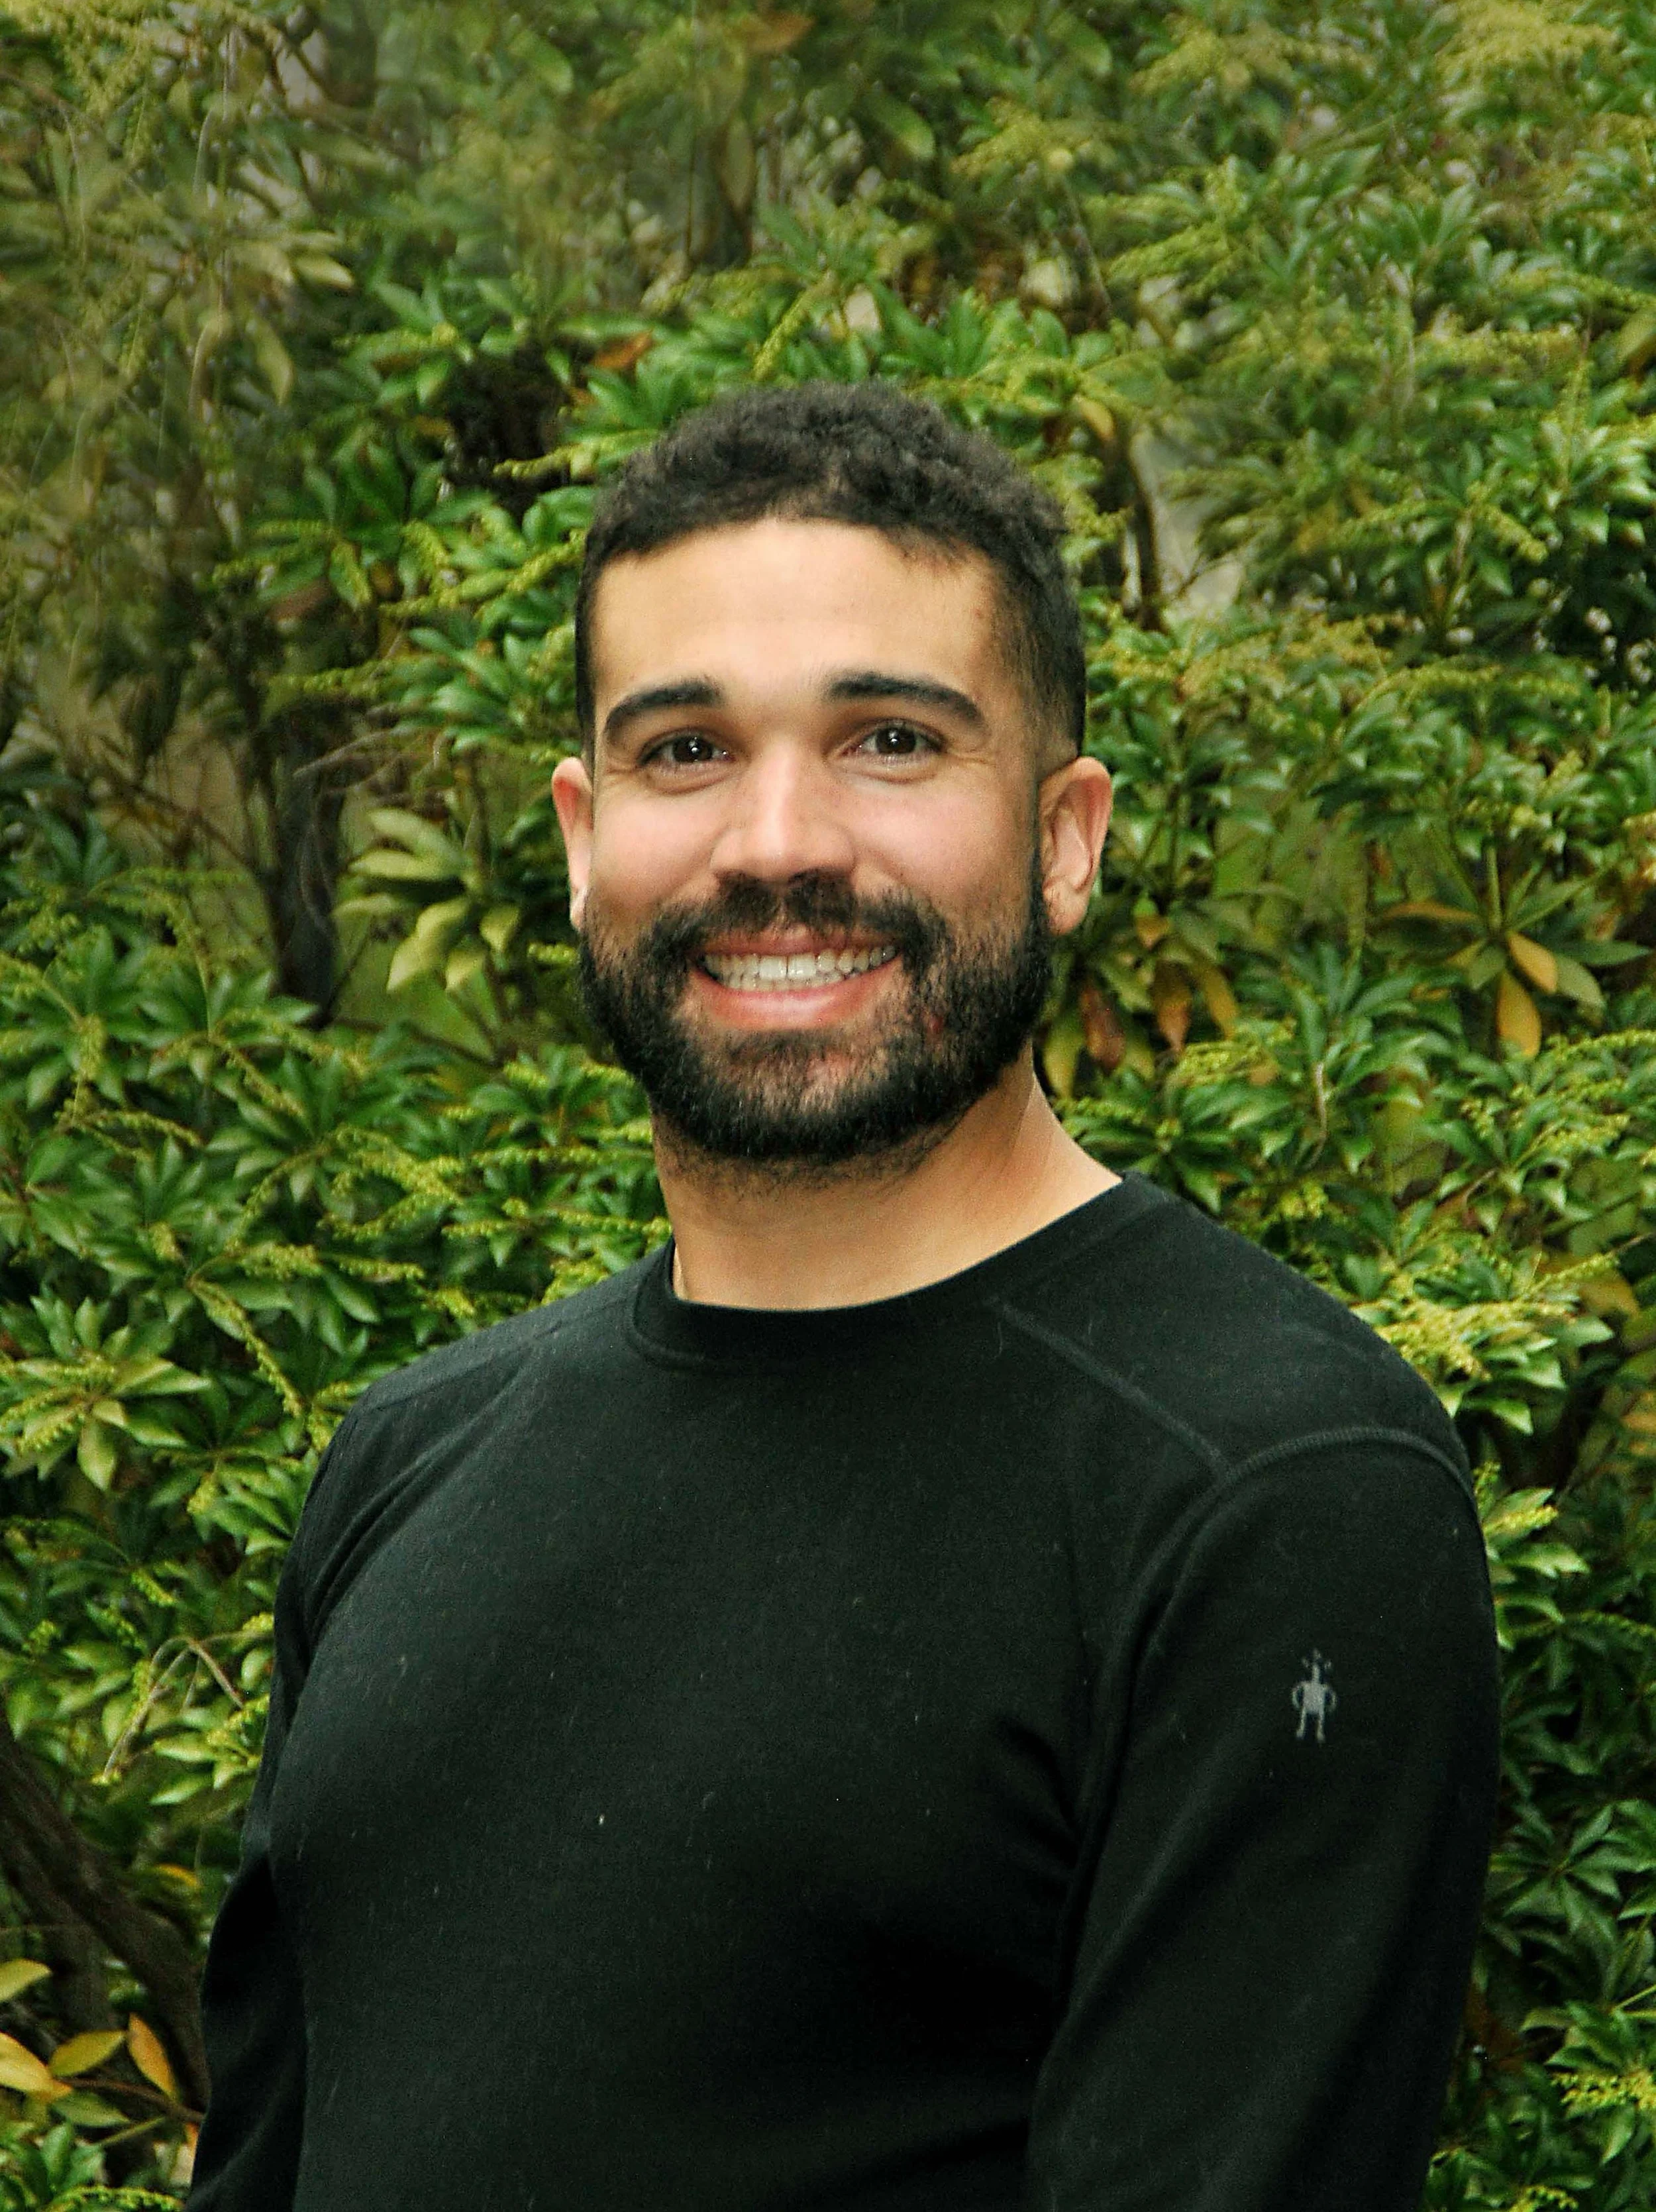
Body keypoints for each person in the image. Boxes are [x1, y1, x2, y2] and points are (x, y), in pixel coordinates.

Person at [187, 383, 1499, 2212]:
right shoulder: (408, 1468)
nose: (775, 841)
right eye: (681, 751)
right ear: (580, 839)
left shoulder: (1267, 1493)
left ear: (1063, 835)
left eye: (888, 738)